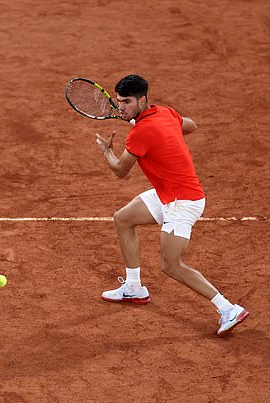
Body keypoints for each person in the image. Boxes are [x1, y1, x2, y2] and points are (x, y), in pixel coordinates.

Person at [94, 74, 249, 336]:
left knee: (171, 265)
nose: (121, 107)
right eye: (119, 102)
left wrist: (107, 152)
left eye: (127, 102)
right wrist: (163, 131)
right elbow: (191, 125)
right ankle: (134, 287)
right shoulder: (164, 112)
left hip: (183, 202)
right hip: (167, 193)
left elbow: (120, 171)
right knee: (123, 219)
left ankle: (228, 308)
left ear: (142, 100)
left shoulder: (139, 132)